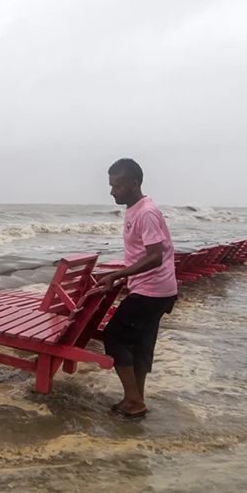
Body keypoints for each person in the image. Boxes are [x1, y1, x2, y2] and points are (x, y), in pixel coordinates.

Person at [94, 159, 177, 420]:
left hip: (152, 290)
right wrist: (124, 276)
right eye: (111, 185)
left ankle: (133, 400)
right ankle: (136, 398)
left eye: (117, 186)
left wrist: (119, 274)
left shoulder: (146, 212)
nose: (112, 192)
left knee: (114, 337)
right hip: (157, 289)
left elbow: (155, 257)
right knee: (140, 344)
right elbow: (141, 254)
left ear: (134, 184)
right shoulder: (135, 209)